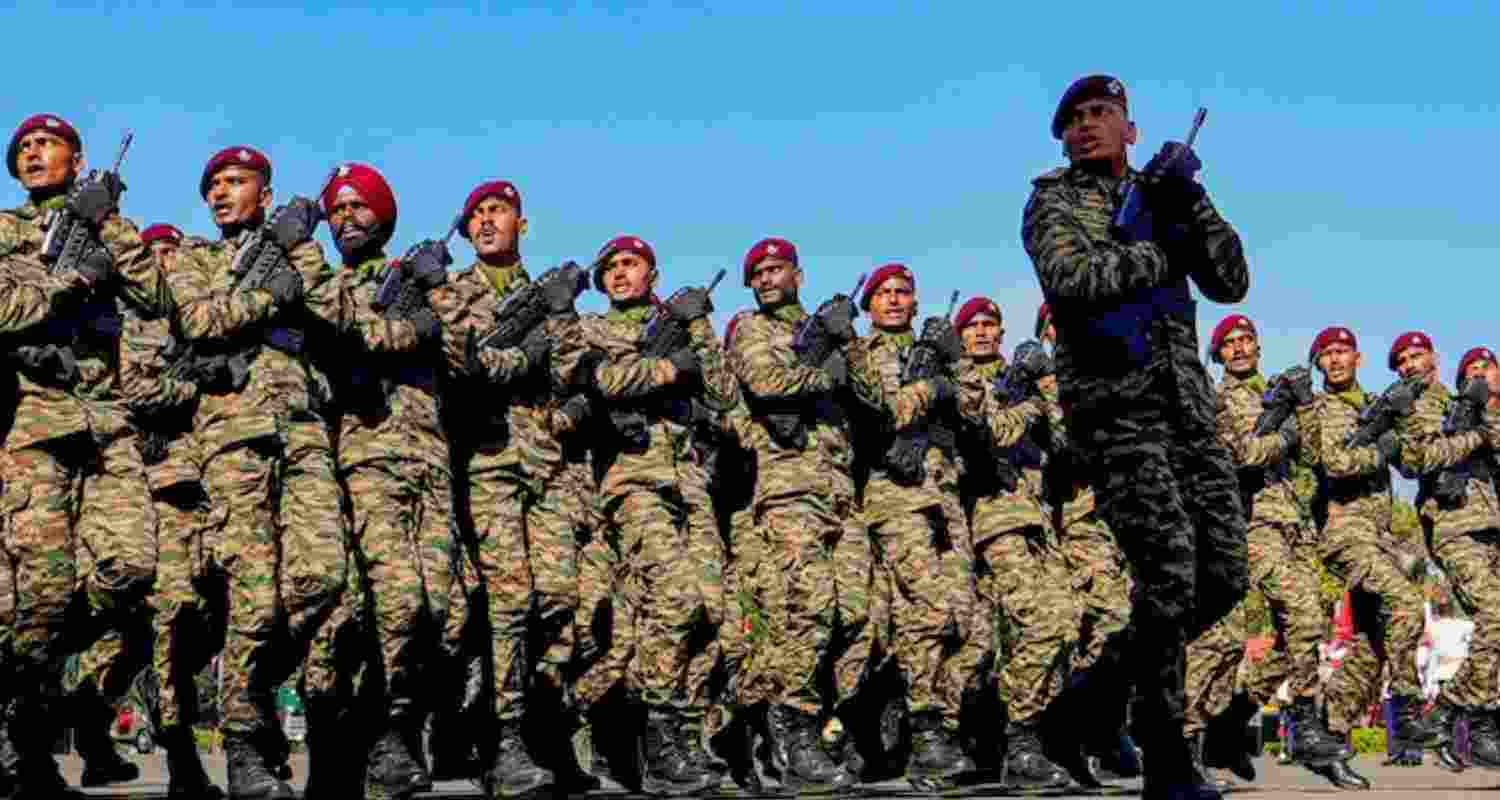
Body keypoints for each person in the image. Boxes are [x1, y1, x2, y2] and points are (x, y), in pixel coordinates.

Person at [1022, 74, 1250, 800]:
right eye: (1074, 119)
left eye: (1102, 114)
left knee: (1222, 579)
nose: (1087, 126)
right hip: (1114, 411)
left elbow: (1232, 281)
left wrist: (1190, 202)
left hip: (1187, 409)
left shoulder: (1164, 198)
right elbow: (1074, 277)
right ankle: (1164, 755)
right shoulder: (1053, 200)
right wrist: (1160, 248)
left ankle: (1083, 706)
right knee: (1169, 577)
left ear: (1132, 128)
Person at [166, 145, 347, 799]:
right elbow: (196, 321)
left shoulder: (301, 248)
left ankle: (258, 686)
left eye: (235, 182)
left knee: (324, 577)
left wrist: (300, 259)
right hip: (233, 436)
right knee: (252, 595)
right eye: (213, 184)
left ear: (265, 194)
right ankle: (244, 744)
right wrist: (270, 294)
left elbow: (341, 316)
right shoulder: (194, 258)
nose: (220, 193)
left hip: (303, 432)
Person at [0, 112, 167, 796]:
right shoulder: (5, 232)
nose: (36, 153)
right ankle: (26, 736)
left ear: (78, 157)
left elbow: (157, 293)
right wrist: (66, 281)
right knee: (40, 595)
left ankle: (37, 712)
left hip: (108, 427)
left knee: (131, 568)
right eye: (25, 147)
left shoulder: (102, 221)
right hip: (33, 427)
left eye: (50, 144)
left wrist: (108, 224)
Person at [437, 179, 592, 797]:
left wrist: (556, 314)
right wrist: (517, 357)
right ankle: (503, 740)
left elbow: (576, 372)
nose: (483, 223)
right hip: (490, 462)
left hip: (547, 465)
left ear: (521, 224)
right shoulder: (455, 293)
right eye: (474, 215)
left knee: (558, 600)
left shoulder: (545, 294)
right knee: (509, 603)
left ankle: (546, 724)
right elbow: (460, 366)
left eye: (496, 212)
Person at [575, 235, 738, 795]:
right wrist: (672, 369)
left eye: (631, 265)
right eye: (611, 269)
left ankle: (689, 737)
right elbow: (603, 380)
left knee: (712, 612)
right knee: (673, 599)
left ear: (652, 271)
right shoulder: (592, 329)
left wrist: (699, 331)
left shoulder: (680, 324)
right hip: (634, 482)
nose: (621, 275)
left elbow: (723, 394)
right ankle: (659, 739)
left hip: (690, 483)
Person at [724, 237, 870, 791]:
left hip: (838, 490)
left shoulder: (826, 330)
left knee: (856, 614)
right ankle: (792, 730)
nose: (765, 279)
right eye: (757, 273)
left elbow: (875, 397)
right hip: (787, 487)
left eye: (775, 269)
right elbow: (766, 381)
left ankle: (819, 722)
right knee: (805, 608)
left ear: (798, 276)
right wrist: (822, 373)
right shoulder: (749, 327)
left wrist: (848, 339)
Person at [1189, 315, 1357, 786]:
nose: (1240, 349)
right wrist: (1280, 437)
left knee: (1301, 634)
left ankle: (1227, 723)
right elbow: (1235, 452)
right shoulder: (1215, 398)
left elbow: (1315, 453)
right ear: (1219, 354)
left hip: (1292, 524)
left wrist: (1301, 405)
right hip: (1248, 526)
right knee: (1265, 626)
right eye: (1230, 344)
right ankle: (1301, 725)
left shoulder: (1274, 395)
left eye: (1247, 341)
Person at [845, 264, 984, 791]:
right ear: (870, 305)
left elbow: (977, 413)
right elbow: (869, 413)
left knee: (962, 619)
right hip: (893, 493)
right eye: (883, 294)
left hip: (944, 494)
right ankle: (927, 732)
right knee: (926, 610)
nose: (894, 301)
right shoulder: (860, 352)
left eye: (903, 293)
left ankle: (913, 723)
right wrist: (924, 393)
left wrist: (954, 361)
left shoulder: (940, 353)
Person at [1299, 326, 1441, 771]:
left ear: (1358, 358)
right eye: (1327, 354)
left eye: (1344, 352)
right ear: (1319, 363)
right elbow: (1335, 463)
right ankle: (1407, 710)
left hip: (1380, 537)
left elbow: (1415, 464)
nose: (1336, 360)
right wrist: (1381, 447)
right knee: (1403, 602)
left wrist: (1407, 423)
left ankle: (1330, 728)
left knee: (1373, 644)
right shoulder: (1317, 408)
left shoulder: (1375, 405)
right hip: (1345, 533)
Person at [951, 297, 1074, 788]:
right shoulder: (960, 377)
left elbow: (1066, 439)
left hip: (1036, 519)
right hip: (991, 519)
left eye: (989, 325)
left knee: (1045, 628)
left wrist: (1045, 381)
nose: (981, 333)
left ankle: (1002, 741)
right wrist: (1027, 399)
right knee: (1042, 622)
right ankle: (1019, 741)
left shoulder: (1020, 374)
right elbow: (989, 434)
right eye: (972, 326)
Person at [1393, 336, 1500, 767]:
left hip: (1492, 526)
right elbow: (1417, 459)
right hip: (1455, 527)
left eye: (1417, 356)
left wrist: (1486, 416)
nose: (1409, 365)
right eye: (1402, 360)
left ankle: (1466, 716)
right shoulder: (1416, 406)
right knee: (1495, 615)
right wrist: (1472, 434)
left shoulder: (1472, 407)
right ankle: (1463, 714)